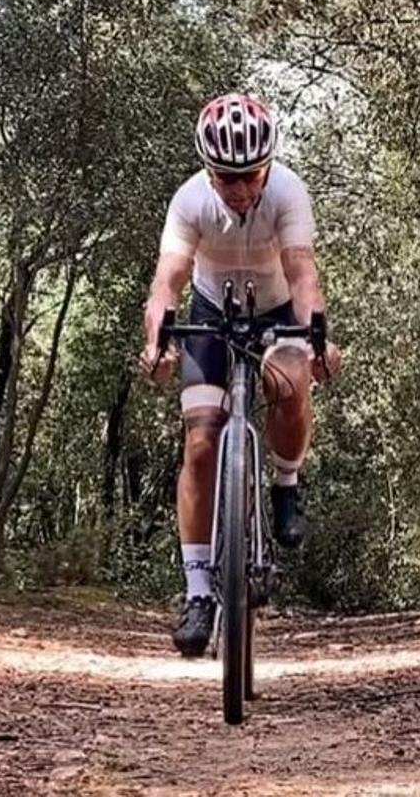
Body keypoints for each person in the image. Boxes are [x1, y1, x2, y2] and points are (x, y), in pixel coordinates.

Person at [138, 93, 341, 658]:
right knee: (200, 441)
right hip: (210, 313)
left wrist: (318, 337)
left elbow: (303, 276)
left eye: (251, 175)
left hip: (277, 313)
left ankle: (286, 483)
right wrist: (155, 342)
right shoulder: (189, 202)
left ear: (267, 166)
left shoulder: (288, 193)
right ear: (209, 171)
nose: (241, 189)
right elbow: (166, 282)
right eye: (227, 177)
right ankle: (199, 591)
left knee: (290, 380)